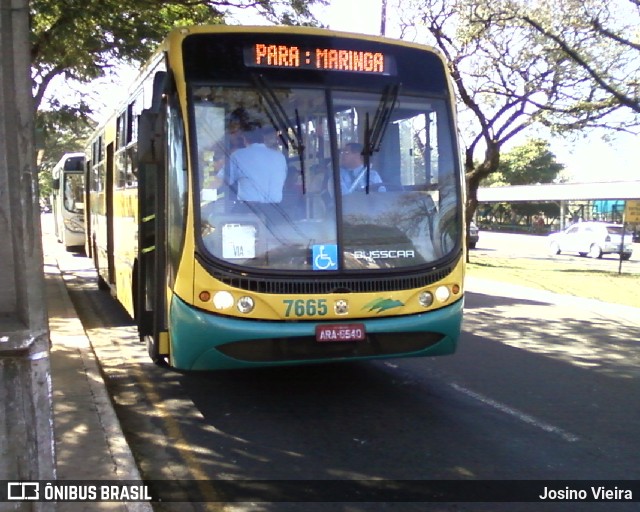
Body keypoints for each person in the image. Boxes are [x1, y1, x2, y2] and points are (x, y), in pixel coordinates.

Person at [228, 123, 287, 204]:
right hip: (278, 212)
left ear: (245, 139)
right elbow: (282, 181)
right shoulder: (280, 157)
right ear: (263, 138)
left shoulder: (238, 155)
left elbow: (224, 181)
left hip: (249, 210)